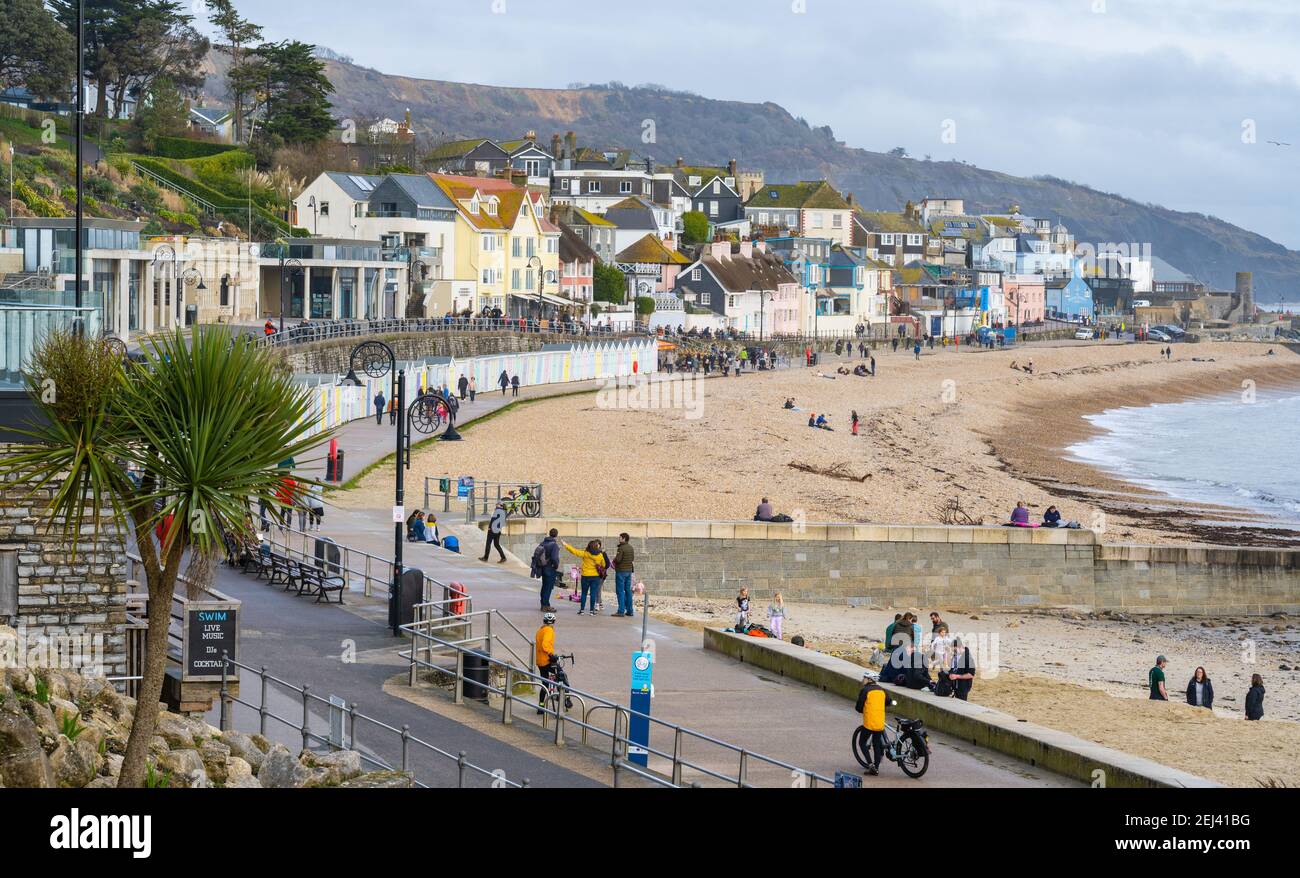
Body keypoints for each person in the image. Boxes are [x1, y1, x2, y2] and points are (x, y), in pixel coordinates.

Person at [534, 612, 569, 714]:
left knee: (544, 683)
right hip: (547, 661)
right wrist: (551, 654)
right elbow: (545, 644)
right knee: (561, 675)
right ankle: (565, 699)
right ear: (553, 621)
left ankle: (540, 707)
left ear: (544, 621)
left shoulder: (540, 631)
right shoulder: (549, 630)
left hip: (540, 662)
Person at [854, 673, 888, 775]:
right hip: (879, 722)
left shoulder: (865, 690)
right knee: (876, 745)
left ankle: (870, 764)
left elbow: (859, 707)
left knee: (861, 742)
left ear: (869, 679)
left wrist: (861, 710)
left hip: (869, 722)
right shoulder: (882, 690)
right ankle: (876, 769)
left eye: (864, 677)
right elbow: (888, 701)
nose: (863, 679)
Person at [562, 539, 605, 616]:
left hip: (585, 576)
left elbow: (574, 551)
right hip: (595, 577)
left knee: (584, 593)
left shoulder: (585, 554)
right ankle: (592, 611)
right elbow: (604, 565)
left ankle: (582, 610)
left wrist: (566, 545)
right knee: (593, 593)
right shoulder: (600, 555)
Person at [531, 528, 561, 611]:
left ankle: (543, 604)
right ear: (556, 535)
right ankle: (546, 605)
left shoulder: (543, 543)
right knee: (548, 587)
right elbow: (554, 558)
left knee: (544, 586)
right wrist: (556, 565)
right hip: (550, 568)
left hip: (542, 568)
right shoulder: (554, 545)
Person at [613, 532, 635, 617]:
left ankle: (621, 610)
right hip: (629, 572)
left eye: (620, 538)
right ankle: (630, 610)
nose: (619, 539)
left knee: (620, 591)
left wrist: (614, 559)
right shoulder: (631, 547)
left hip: (621, 571)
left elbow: (618, 560)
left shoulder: (621, 548)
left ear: (624, 539)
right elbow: (632, 558)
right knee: (628, 591)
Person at [947, 636, 976, 700]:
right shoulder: (955, 656)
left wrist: (957, 676)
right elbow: (953, 669)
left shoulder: (968, 658)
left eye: (954, 650)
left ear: (960, 647)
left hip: (963, 687)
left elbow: (971, 675)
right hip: (954, 686)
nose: (953, 652)